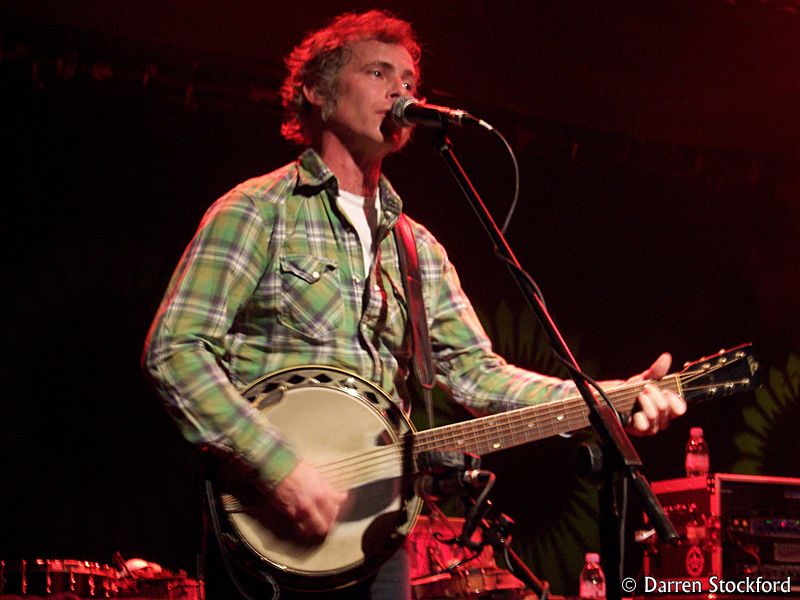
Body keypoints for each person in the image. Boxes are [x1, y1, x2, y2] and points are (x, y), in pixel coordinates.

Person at [142, 10, 686, 599]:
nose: (401, 92)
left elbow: (478, 375)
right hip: (270, 531)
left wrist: (605, 401)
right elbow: (175, 350)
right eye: (378, 73)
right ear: (316, 92)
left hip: (381, 531)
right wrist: (278, 466)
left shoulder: (417, 247)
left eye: (408, 81)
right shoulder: (257, 211)